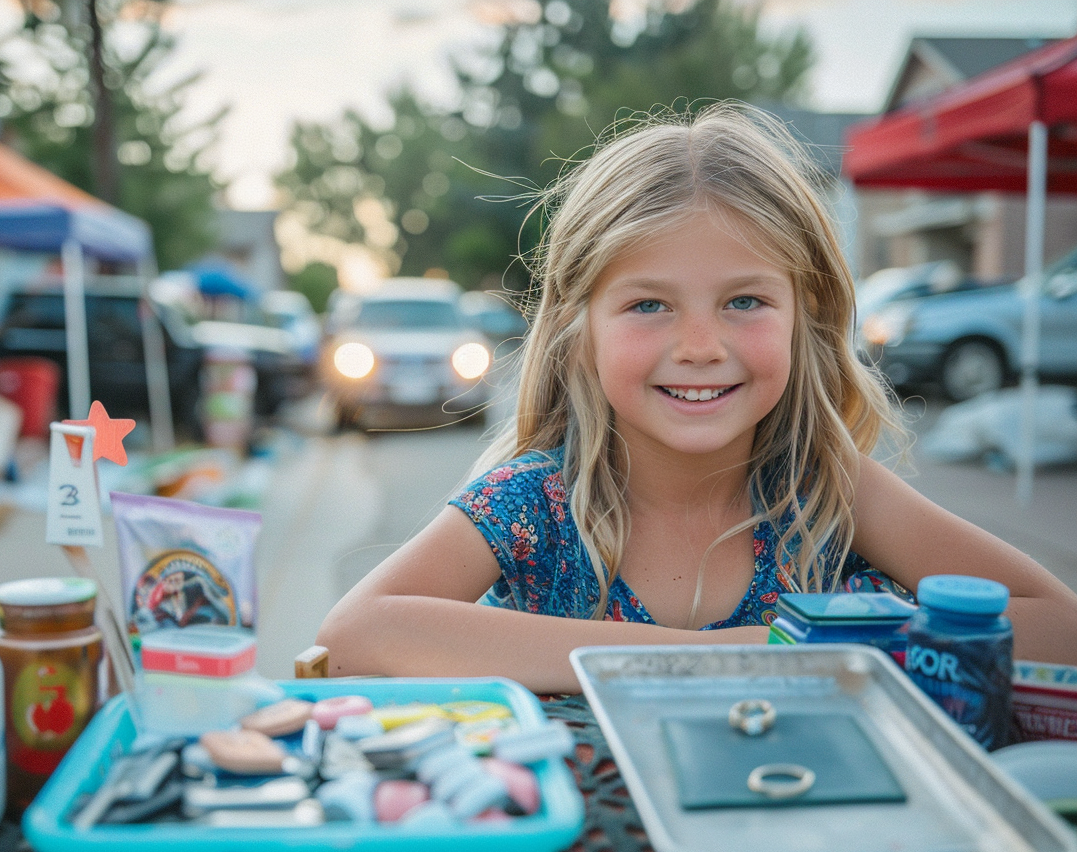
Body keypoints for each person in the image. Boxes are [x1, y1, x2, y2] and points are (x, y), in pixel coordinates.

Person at [316, 103, 1077, 696]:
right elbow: (351, 636)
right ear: (579, 330)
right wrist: (730, 657)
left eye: (744, 301)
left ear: (804, 318)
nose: (701, 346)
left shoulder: (828, 493)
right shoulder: (533, 504)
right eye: (649, 305)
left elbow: (1057, 628)